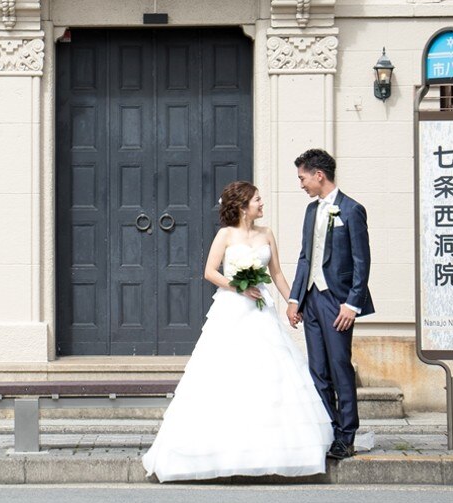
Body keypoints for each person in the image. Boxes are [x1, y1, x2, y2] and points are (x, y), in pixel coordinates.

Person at [142, 181, 333, 482]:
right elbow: (209, 271)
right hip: (233, 310)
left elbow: (278, 274)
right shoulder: (226, 235)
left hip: (262, 312)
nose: (262, 204)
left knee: (272, 374)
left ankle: (274, 450)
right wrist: (239, 287)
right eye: (258, 199)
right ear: (244, 206)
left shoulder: (266, 233)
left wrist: (293, 303)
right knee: (228, 374)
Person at [288, 149, 374, 461]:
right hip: (311, 300)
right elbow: (304, 257)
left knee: (340, 367)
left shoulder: (352, 210)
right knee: (317, 370)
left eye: (302, 178)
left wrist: (352, 304)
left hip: (337, 302)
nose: (301, 184)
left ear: (319, 175)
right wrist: (295, 299)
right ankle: (329, 429)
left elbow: (361, 263)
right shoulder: (311, 211)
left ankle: (347, 434)